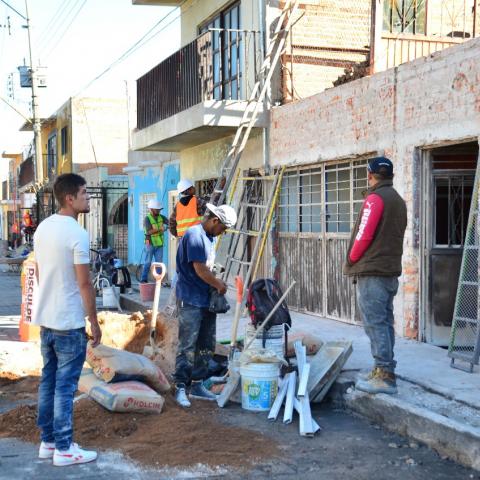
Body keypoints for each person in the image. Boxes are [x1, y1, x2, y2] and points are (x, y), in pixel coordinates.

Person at [33, 173, 102, 466]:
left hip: (46, 320)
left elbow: (38, 272)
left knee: (49, 382)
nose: (89, 197)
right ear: (70, 198)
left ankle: (48, 442)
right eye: (85, 193)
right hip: (68, 323)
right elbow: (85, 284)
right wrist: (95, 323)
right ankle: (64, 448)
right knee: (64, 387)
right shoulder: (77, 233)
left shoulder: (42, 229)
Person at [344, 157, 407, 395]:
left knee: (374, 322)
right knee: (385, 322)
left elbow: (364, 234)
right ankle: (384, 368)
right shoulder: (398, 200)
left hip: (372, 271)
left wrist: (351, 259)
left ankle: (384, 375)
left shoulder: (375, 199)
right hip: (390, 271)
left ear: (370, 175)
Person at [173, 203, 237, 407]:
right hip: (190, 299)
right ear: (215, 221)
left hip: (204, 299)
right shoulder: (194, 235)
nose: (222, 233)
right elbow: (200, 269)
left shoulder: (209, 237)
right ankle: (181, 387)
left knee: (206, 345)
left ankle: (198, 384)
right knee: (188, 345)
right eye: (223, 229)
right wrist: (219, 285)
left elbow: (206, 268)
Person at [141, 198, 168, 283]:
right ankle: (143, 279)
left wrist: (169, 226)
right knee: (148, 262)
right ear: (152, 209)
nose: (159, 211)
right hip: (150, 244)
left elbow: (169, 223)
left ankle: (159, 281)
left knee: (159, 263)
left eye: (159, 209)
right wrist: (161, 229)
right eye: (157, 209)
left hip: (159, 244)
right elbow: (149, 232)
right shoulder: (147, 219)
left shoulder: (161, 217)